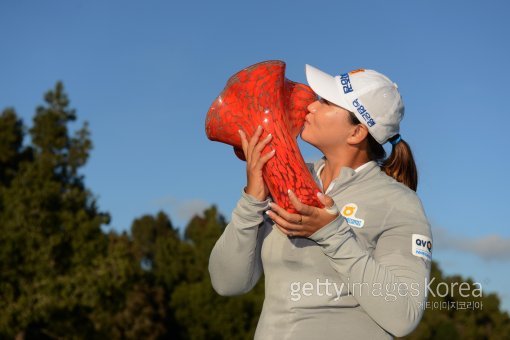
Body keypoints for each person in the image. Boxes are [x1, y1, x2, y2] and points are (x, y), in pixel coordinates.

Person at [208, 64, 432, 339]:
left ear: (356, 133)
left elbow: (404, 317)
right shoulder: (284, 177)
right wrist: (251, 201)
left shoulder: (399, 202)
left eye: (326, 102)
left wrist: (331, 234)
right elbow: (227, 283)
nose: (311, 106)